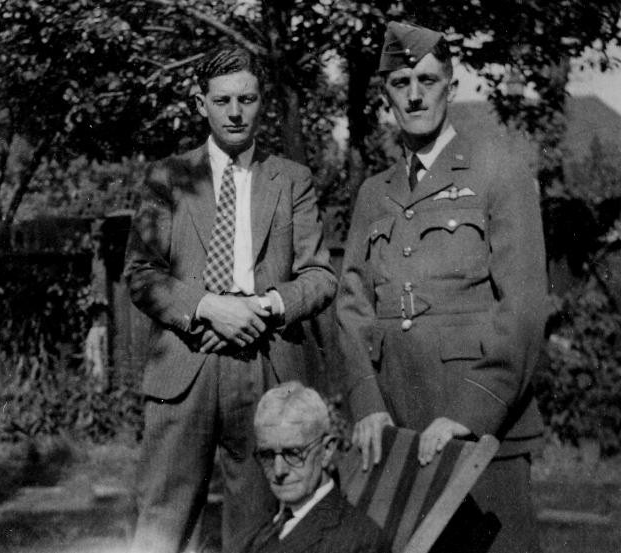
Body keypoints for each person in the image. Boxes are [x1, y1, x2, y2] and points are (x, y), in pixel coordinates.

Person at [336, 21, 549, 553]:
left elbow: (521, 310)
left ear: (451, 88)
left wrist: (468, 414)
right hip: (396, 441)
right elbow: (351, 307)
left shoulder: (500, 173)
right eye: (401, 82)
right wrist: (367, 405)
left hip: (484, 436)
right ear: (386, 95)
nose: (414, 94)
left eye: (427, 80)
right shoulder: (373, 194)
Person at [124, 45, 337, 553]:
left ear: (262, 102)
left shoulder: (291, 179)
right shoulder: (168, 178)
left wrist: (265, 306)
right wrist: (207, 306)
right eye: (222, 101)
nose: (235, 112)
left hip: (265, 364)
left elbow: (319, 276)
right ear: (201, 104)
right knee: (163, 520)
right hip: (184, 366)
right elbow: (140, 273)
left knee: (262, 524)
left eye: (247, 98)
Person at [241, 381, 389, 553]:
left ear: (327, 450)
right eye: (267, 455)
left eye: (293, 454)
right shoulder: (259, 533)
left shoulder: (359, 541)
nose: (279, 470)